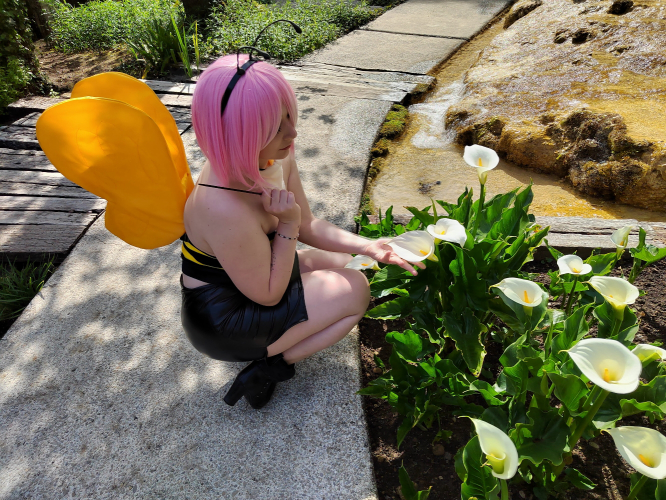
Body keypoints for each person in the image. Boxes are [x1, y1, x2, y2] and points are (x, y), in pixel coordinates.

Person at [179, 53, 424, 410]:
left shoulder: (271, 156)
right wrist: (287, 224)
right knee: (356, 291)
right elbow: (268, 293)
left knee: (345, 262)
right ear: (238, 134)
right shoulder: (221, 207)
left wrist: (370, 246)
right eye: (276, 127)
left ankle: (276, 348)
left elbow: (307, 224)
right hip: (224, 318)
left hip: (250, 277)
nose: (292, 133)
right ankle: (269, 368)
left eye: (289, 116)